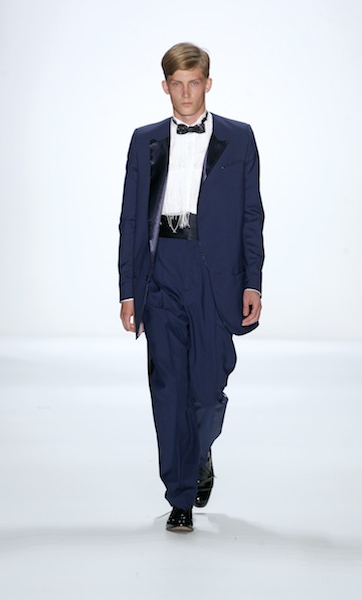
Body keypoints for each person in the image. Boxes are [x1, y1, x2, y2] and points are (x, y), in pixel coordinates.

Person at [119, 42, 264, 533]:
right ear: (165, 87)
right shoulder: (144, 141)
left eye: (194, 83)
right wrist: (128, 290)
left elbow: (251, 215)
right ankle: (179, 496)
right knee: (168, 388)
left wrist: (253, 282)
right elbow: (131, 219)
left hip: (214, 274)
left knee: (207, 389)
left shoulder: (239, 138)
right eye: (177, 84)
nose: (186, 93)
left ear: (208, 83)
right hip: (162, 271)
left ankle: (200, 453)